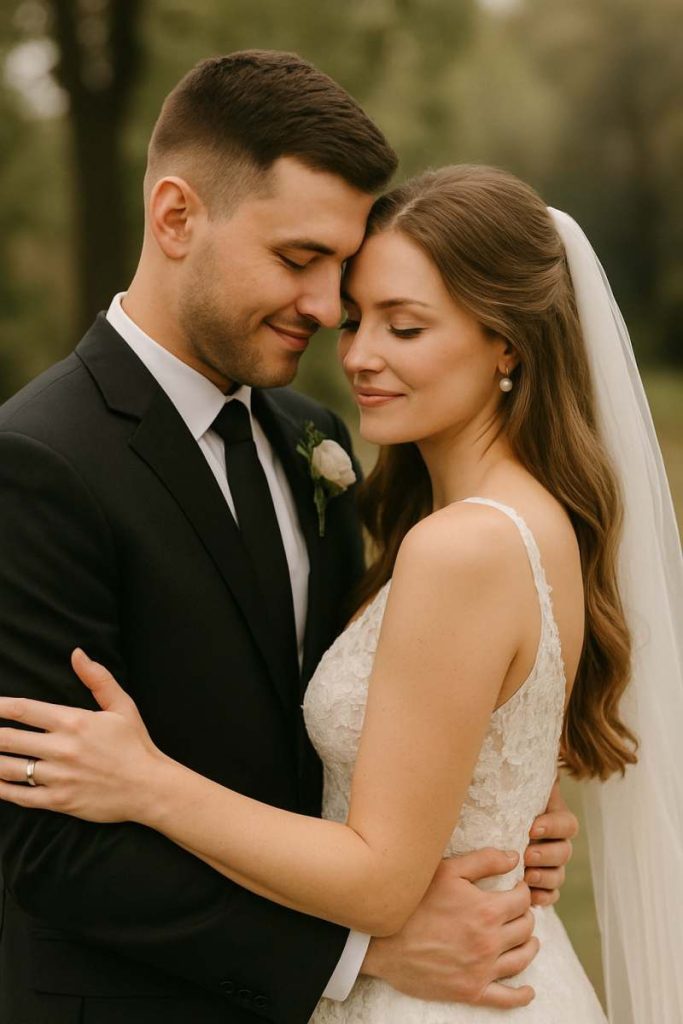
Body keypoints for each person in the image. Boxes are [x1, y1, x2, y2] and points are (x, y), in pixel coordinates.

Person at [4, 160, 680, 1023]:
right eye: (358, 320)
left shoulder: (460, 545)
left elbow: (379, 881)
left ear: (506, 342)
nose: (356, 354)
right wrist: (508, 828)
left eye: (404, 327)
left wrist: (145, 781)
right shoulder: (525, 515)